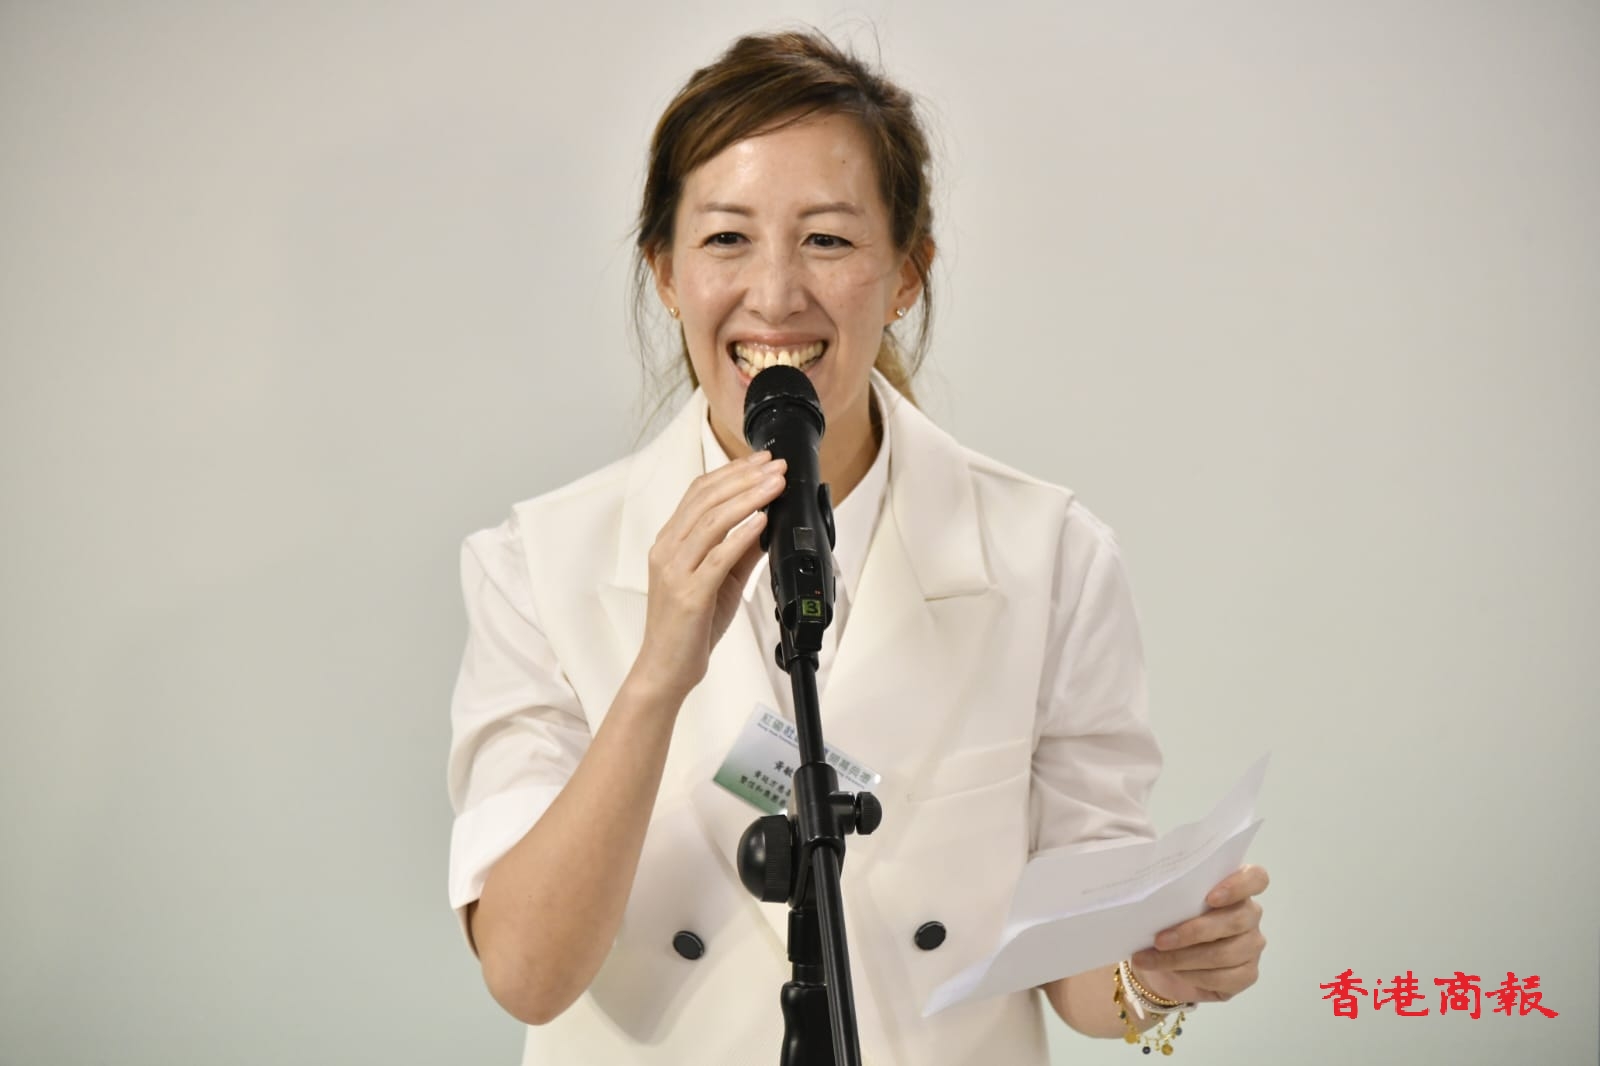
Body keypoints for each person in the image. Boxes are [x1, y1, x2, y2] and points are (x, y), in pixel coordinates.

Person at [447, 29, 1268, 1065]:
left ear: (907, 272)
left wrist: (1153, 971)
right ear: (665, 272)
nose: (775, 294)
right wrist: (657, 674)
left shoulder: (1049, 555)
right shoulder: (536, 563)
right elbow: (526, 973)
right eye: (726, 238)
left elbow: (1077, 965)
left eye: (828, 241)